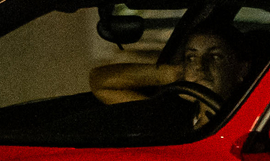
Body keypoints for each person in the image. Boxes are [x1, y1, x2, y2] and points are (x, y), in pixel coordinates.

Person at [89, 21, 250, 129]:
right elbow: (100, 83)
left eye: (215, 57)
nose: (200, 66)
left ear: (241, 70)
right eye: (191, 57)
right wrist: (174, 73)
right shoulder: (172, 115)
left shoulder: (252, 122)